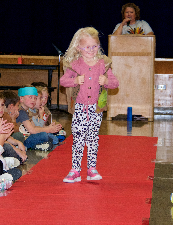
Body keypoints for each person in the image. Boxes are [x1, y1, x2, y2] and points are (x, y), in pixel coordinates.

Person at [60, 27, 119, 183]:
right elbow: (63, 81)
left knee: (93, 138)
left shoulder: (103, 64)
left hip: (96, 108)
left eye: (95, 46)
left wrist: (106, 81)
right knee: (78, 138)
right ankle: (75, 170)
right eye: (88, 47)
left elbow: (115, 83)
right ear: (79, 47)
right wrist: (75, 80)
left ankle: (92, 168)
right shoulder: (75, 64)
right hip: (80, 107)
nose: (92, 50)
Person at [16, 85, 62, 151]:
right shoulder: (21, 111)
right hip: (23, 139)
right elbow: (32, 130)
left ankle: (39, 144)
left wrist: (47, 128)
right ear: (21, 99)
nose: (33, 100)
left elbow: (35, 127)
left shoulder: (26, 111)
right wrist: (48, 129)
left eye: (35, 98)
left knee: (45, 134)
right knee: (44, 135)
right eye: (30, 97)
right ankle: (33, 146)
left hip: (27, 137)